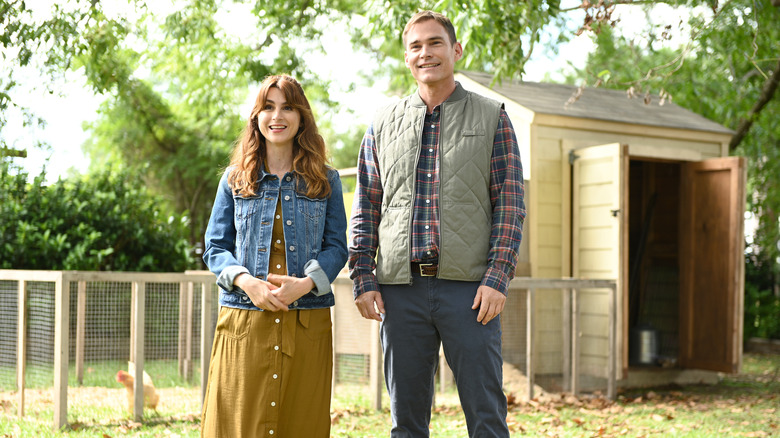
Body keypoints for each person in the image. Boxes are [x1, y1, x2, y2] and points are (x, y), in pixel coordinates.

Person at [349, 10, 526, 438]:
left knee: (486, 417)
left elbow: (511, 203)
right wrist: (363, 277)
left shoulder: (492, 116)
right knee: (406, 423)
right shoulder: (381, 124)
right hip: (399, 292)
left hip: (470, 292)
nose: (425, 53)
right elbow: (367, 205)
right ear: (407, 57)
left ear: (455, 50)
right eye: (416, 46)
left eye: (435, 43)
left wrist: (497, 278)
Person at [201, 74, 348, 437]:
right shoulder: (235, 179)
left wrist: (307, 284)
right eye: (268, 107)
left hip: (307, 321)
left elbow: (337, 247)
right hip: (244, 321)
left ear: (301, 117)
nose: (276, 116)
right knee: (238, 424)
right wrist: (247, 282)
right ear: (256, 117)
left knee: (302, 424)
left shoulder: (326, 180)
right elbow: (214, 248)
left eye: (287, 107)